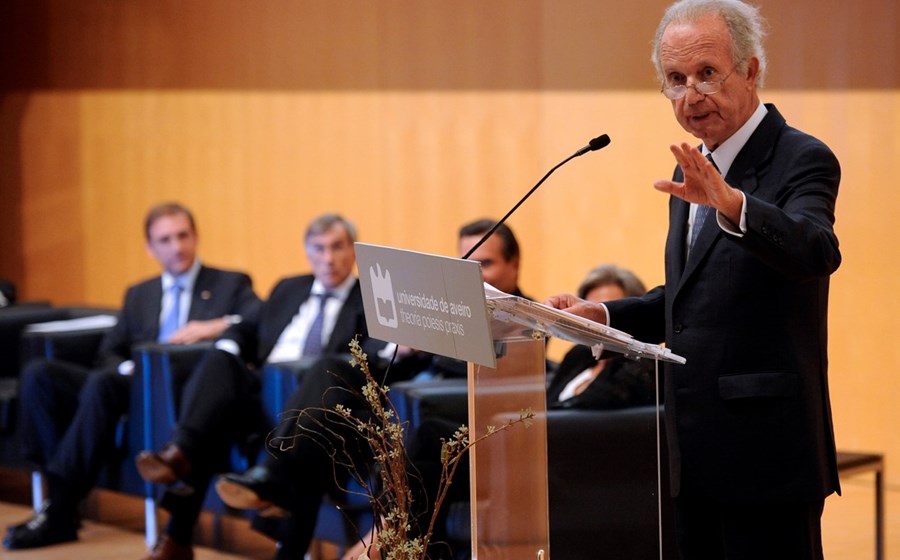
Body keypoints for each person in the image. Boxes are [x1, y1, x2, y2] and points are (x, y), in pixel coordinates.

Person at [546, 1, 841, 559]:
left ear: (751, 71)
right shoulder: (693, 166)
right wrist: (605, 317)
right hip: (690, 451)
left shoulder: (801, 157)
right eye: (675, 81)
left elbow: (816, 251)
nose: (690, 95)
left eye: (707, 74)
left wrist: (734, 205)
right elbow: (687, 303)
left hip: (766, 455)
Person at [4, 202, 262, 552]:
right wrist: (131, 368)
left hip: (180, 390)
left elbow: (257, 319)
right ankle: (58, 488)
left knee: (102, 384)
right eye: (165, 239)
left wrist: (216, 324)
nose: (176, 246)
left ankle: (60, 509)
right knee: (41, 375)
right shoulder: (140, 293)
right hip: (131, 382)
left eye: (183, 236)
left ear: (196, 237)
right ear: (150, 247)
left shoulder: (229, 283)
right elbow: (110, 351)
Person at [135, 213, 386, 560]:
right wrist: (230, 345)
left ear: (353, 252)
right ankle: (182, 449)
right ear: (307, 252)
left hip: (315, 412)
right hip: (263, 398)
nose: (329, 258)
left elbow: (375, 356)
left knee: (298, 431)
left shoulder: (368, 299)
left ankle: (181, 529)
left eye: (338, 247)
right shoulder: (289, 288)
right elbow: (246, 327)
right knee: (221, 361)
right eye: (319, 248)